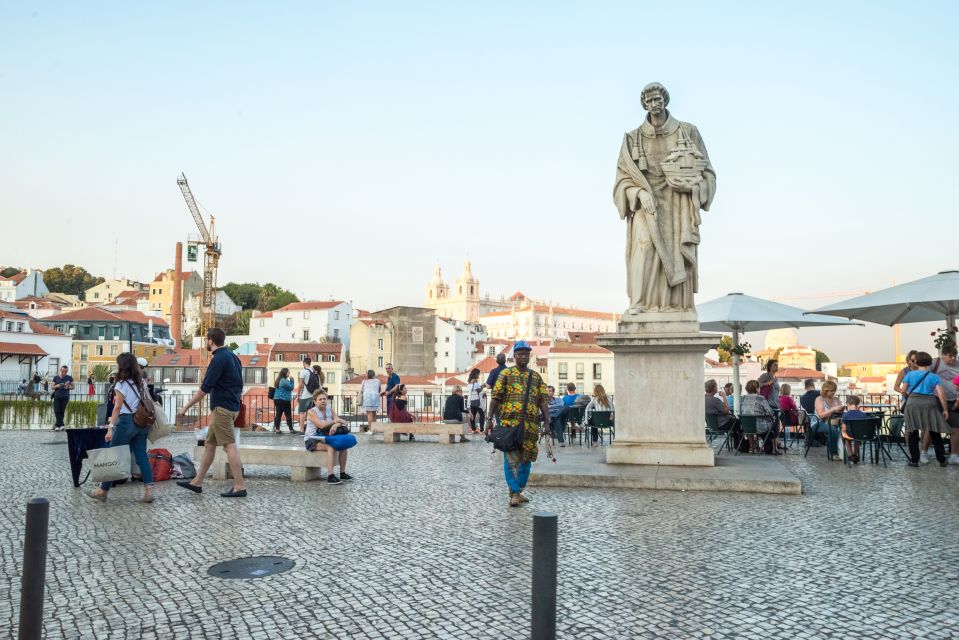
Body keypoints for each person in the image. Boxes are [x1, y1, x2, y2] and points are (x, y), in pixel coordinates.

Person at [176, 327, 247, 497]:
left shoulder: (218, 359)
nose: (206, 342)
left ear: (210, 341)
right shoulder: (233, 357)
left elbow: (204, 389)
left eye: (206, 340)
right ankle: (197, 482)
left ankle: (239, 486)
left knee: (229, 446)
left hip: (222, 408)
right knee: (209, 445)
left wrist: (185, 407)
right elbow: (239, 384)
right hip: (232, 406)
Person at [486, 340, 550, 508]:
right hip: (509, 425)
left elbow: (543, 401)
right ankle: (514, 493)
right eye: (520, 353)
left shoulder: (536, 377)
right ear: (514, 356)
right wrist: (489, 420)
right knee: (510, 459)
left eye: (526, 354)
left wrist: (547, 423)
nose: (523, 356)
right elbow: (495, 398)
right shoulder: (505, 375)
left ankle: (518, 490)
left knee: (527, 459)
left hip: (530, 426)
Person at [87, 353, 155, 503]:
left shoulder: (121, 385)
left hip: (126, 422)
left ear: (121, 366)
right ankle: (149, 491)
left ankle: (103, 491)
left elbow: (117, 408)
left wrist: (110, 428)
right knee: (141, 456)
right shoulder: (142, 382)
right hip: (142, 422)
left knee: (113, 455)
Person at [901, 351, 949, 467]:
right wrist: (945, 409)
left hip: (913, 403)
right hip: (929, 403)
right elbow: (941, 393)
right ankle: (941, 459)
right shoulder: (934, 376)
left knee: (912, 432)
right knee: (934, 431)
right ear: (929, 363)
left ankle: (914, 460)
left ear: (916, 362)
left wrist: (910, 398)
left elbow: (903, 390)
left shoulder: (910, 375)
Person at [305, 390, 353, 484]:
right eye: (320, 399)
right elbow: (321, 425)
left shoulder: (329, 409)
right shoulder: (311, 412)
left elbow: (339, 421)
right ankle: (330, 476)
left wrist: (335, 425)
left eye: (324, 399)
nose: (323, 401)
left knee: (344, 446)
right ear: (315, 401)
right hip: (312, 439)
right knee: (331, 447)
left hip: (326, 437)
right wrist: (335, 421)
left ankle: (342, 473)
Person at [930, 345, 959, 465]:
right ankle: (923, 452)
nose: (953, 358)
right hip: (936, 398)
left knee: (956, 428)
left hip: (953, 400)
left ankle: (954, 455)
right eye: (950, 356)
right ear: (943, 354)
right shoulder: (935, 362)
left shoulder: (958, 364)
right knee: (932, 428)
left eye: (955, 356)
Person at [740, 380, 780, 454]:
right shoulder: (761, 398)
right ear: (757, 388)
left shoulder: (742, 398)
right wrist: (771, 418)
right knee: (775, 422)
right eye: (759, 388)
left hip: (746, 427)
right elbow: (770, 412)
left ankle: (752, 447)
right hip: (759, 426)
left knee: (751, 423)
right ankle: (775, 449)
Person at [813, 380, 845, 460]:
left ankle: (848, 452)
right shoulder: (819, 399)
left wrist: (840, 409)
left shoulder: (836, 399)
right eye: (831, 391)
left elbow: (839, 412)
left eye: (834, 390)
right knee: (833, 430)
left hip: (834, 421)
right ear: (825, 390)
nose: (833, 392)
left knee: (846, 428)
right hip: (818, 422)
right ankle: (833, 453)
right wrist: (833, 409)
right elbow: (821, 415)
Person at [839, 395, 869, 464]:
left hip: (850, 435)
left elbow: (844, 429)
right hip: (860, 435)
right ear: (858, 404)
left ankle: (850, 454)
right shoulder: (863, 415)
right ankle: (855, 454)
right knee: (857, 439)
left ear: (848, 404)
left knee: (846, 438)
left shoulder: (845, 415)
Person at [295, 357, 320, 434]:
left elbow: (300, 385)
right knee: (312, 413)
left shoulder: (303, 371)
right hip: (314, 396)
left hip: (305, 396)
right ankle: (312, 430)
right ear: (310, 363)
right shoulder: (314, 371)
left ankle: (302, 430)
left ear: (304, 363)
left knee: (302, 413)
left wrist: (298, 395)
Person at [272, 367, 296, 434]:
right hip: (284, 399)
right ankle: (291, 429)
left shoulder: (278, 380)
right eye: (288, 372)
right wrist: (292, 380)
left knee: (278, 414)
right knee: (288, 414)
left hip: (277, 399)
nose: (289, 373)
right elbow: (291, 387)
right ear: (285, 373)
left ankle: (277, 429)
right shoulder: (284, 381)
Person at [51, 365, 73, 430]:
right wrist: (57, 386)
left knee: (62, 411)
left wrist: (68, 387)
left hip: (65, 396)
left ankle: (58, 426)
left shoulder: (69, 377)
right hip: (57, 396)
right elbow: (52, 387)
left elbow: (73, 386)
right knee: (57, 410)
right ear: (60, 370)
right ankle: (61, 424)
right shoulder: (56, 377)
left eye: (66, 371)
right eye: (63, 371)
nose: (64, 373)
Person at [466, 368, 486, 433]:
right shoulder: (475, 381)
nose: (479, 375)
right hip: (477, 401)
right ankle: (482, 429)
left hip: (472, 400)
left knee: (473, 415)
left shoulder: (469, 382)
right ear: (476, 374)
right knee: (482, 415)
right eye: (478, 374)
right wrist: (483, 385)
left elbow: (473, 390)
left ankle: (473, 429)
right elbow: (478, 390)